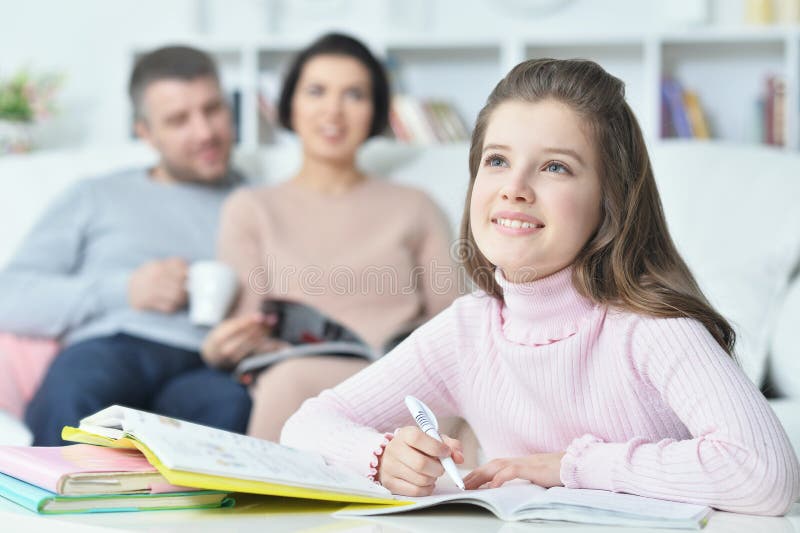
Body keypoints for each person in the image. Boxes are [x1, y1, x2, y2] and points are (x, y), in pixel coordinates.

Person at [280, 58, 800, 515]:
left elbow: (766, 475)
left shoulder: (653, 326)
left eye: (555, 167)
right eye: (497, 161)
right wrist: (380, 457)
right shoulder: (467, 331)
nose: (514, 188)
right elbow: (305, 425)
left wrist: (573, 466)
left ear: (610, 200)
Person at [201, 33, 460, 442]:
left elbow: (451, 320)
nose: (333, 112)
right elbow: (246, 325)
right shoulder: (251, 207)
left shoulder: (416, 206)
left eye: (354, 94)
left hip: (400, 374)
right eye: (317, 91)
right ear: (291, 105)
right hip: (298, 376)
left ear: (375, 110)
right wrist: (221, 347)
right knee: (291, 381)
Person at [0, 46, 252, 445]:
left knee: (232, 404)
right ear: (145, 132)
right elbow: (9, 297)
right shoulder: (96, 196)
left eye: (213, 108)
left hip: (208, 362)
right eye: (179, 120)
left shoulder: (261, 203)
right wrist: (124, 290)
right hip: (113, 347)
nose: (205, 132)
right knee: (76, 389)